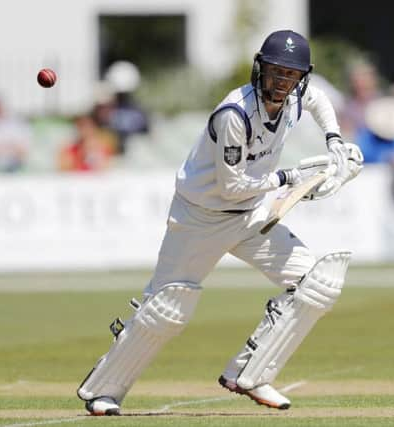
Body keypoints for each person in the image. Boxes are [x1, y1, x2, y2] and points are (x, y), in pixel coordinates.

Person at [76, 30, 363, 416]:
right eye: (275, 72)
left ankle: (249, 373)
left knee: (317, 283)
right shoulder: (235, 114)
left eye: (291, 75)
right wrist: (290, 179)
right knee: (167, 308)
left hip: (251, 216)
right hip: (201, 217)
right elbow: (232, 188)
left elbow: (317, 99)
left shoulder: (296, 96)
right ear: (260, 68)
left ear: (301, 77)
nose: (282, 81)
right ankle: (103, 390)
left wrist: (334, 140)